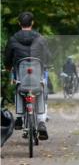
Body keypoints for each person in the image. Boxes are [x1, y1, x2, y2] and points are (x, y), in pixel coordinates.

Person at [4, 11, 51, 139]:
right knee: (41, 90)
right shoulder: (40, 39)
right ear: (32, 23)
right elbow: (47, 56)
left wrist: (8, 67)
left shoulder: (13, 39)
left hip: (21, 76)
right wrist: (47, 64)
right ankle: (41, 121)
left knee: (18, 88)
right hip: (37, 76)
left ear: (19, 23)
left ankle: (19, 117)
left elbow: (7, 58)